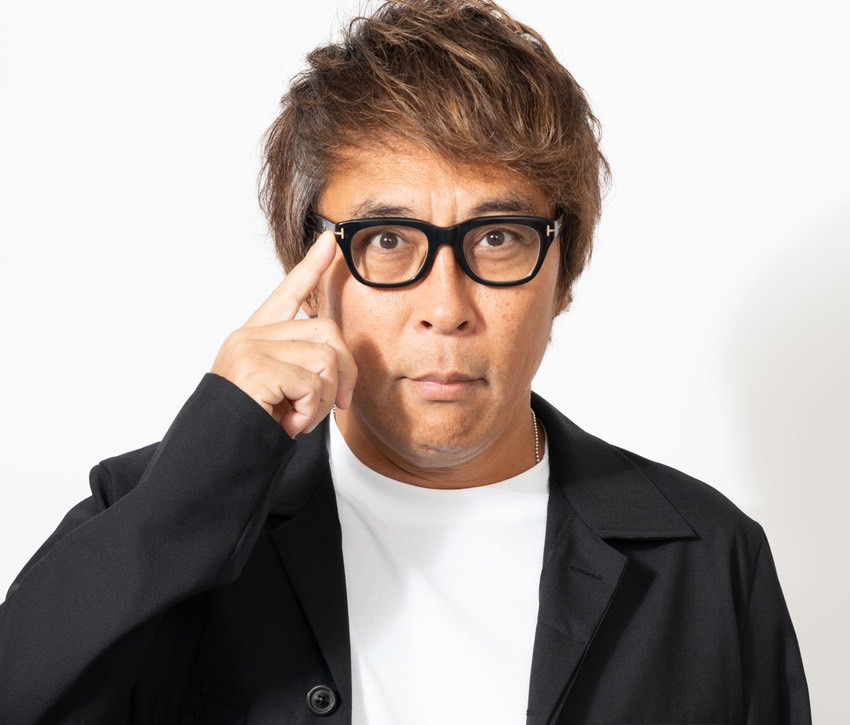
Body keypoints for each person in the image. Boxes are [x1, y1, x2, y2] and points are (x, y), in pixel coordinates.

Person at [0, 1, 811, 723]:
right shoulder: (155, 510)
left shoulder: (706, 559)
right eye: (387, 239)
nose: (445, 306)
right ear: (306, 274)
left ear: (563, 272)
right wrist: (212, 456)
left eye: (499, 237)